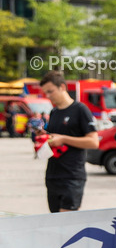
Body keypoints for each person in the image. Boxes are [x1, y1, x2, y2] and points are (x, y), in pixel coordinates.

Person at [39, 71, 99, 213]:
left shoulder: (80, 109)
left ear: (62, 87)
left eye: (50, 91)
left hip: (72, 176)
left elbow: (94, 142)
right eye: (45, 93)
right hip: (53, 175)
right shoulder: (54, 112)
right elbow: (54, 137)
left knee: (66, 221)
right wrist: (44, 137)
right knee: (54, 220)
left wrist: (64, 139)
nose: (48, 96)